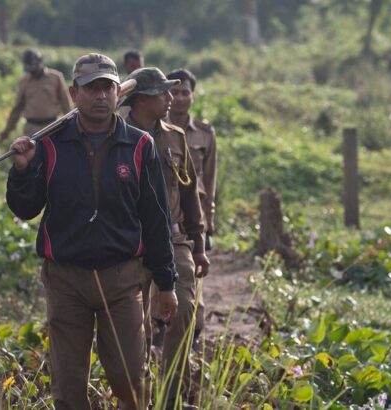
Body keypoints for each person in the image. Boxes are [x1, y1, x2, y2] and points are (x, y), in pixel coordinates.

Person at [5, 53, 178, 410]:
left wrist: (166, 282)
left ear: (118, 93)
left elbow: (156, 218)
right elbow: (26, 209)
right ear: (74, 93)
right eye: (91, 88)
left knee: (130, 380)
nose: (100, 96)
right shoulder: (50, 146)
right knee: (68, 389)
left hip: (122, 280)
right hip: (66, 281)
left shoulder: (140, 145)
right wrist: (22, 171)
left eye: (107, 88)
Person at [123, 67, 210, 409]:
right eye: (163, 93)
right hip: (129, 244)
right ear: (142, 100)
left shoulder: (176, 137)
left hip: (175, 241)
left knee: (185, 310)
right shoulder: (116, 135)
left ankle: (170, 395)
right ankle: (137, 394)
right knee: (133, 324)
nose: (171, 98)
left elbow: (189, 194)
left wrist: (199, 245)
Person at [167, 69, 217, 350]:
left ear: (193, 96)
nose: (180, 98)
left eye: (185, 92)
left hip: (193, 217)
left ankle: (193, 331)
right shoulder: (154, 131)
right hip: (168, 214)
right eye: (174, 92)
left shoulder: (205, 134)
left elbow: (210, 182)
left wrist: (208, 222)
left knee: (192, 277)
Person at [0, 48, 72, 141]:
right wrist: (7, 130)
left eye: (34, 68)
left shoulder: (56, 78)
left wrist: (71, 125)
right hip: (31, 130)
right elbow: (17, 108)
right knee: (33, 154)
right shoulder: (24, 82)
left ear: (41, 61)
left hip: (52, 127)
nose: (33, 72)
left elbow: (66, 104)